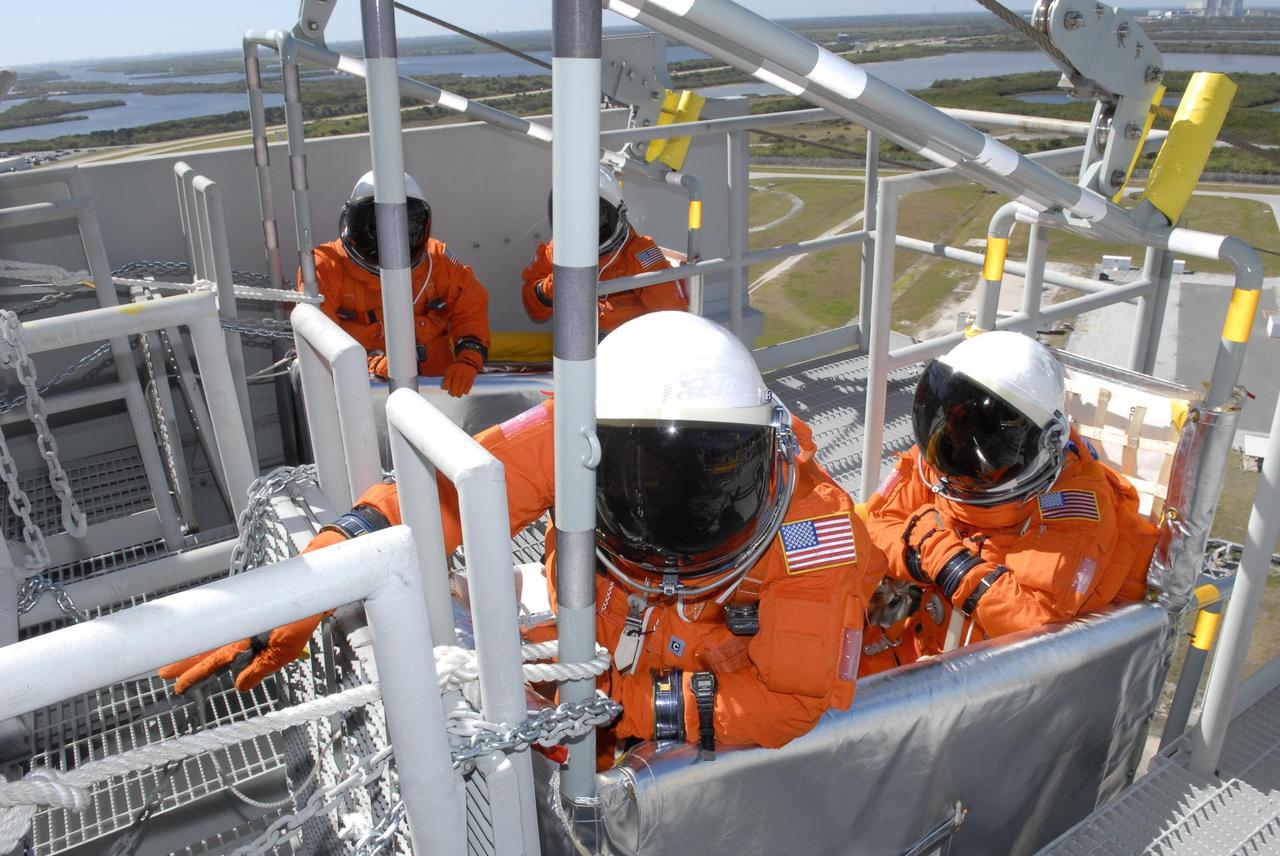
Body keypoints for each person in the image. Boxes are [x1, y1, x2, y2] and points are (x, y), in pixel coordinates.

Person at [162, 312, 888, 752]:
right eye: (650, 482)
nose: (671, 523)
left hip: (678, 697)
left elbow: (789, 704)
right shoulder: (583, 424)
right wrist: (316, 579)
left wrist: (624, 706)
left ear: (765, 456)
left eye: (703, 480)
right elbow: (442, 491)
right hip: (595, 650)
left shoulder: (815, 531)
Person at [864, 331, 1157, 660]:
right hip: (927, 647)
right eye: (957, 416)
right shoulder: (942, 457)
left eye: (986, 433)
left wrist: (946, 563)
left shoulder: (1075, 509)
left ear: (1044, 444)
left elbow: (1036, 629)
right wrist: (916, 558)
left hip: (1000, 682)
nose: (962, 444)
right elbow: (871, 527)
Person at [304, 170, 490, 397]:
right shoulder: (325, 268)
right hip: (362, 395)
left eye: (403, 227)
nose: (389, 242)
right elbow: (320, 339)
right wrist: (370, 362)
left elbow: (471, 308)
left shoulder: (437, 260)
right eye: (376, 227)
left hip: (439, 390)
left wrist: (469, 359)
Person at [522, 166, 688, 335]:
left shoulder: (640, 255)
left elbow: (676, 322)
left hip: (627, 351)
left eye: (592, 216)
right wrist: (556, 283)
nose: (581, 227)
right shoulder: (557, 251)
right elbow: (533, 309)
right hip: (575, 351)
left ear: (617, 215)